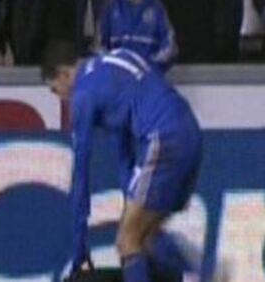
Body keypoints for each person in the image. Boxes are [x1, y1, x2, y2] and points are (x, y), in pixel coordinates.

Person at [41, 42, 202, 282]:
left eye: (56, 90)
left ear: (64, 74)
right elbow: (124, 157)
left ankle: (202, 273)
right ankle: (202, 271)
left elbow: (80, 176)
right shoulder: (114, 63)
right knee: (147, 238)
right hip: (191, 133)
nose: (61, 99)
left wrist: (78, 246)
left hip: (162, 137)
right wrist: (130, 202)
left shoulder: (83, 95)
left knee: (127, 241)